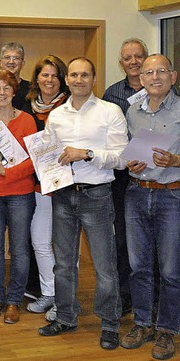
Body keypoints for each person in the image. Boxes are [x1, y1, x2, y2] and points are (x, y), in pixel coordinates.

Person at [38, 57, 128, 351]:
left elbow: (122, 157)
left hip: (98, 195)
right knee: (64, 264)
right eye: (74, 75)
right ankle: (65, 317)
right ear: (67, 80)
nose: (79, 79)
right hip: (63, 194)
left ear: (94, 79)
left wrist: (86, 153)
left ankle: (110, 323)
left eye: (85, 75)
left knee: (104, 266)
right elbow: (49, 156)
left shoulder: (110, 112)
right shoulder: (57, 115)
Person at [121, 54, 180, 360]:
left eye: (161, 71)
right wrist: (129, 161)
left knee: (171, 270)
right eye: (149, 73)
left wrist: (176, 160)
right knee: (138, 267)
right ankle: (142, 323)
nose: (155, 77)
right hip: (136, 193)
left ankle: (168, 330)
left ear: (173, 76)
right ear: (141, 80)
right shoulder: (132, 111)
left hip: (171, 195)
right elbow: (126, 151)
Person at [0, 42, 39, 303]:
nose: (1, 93)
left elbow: (35, 160)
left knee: (21, 249)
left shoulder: (27, 120)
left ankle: (13, 300)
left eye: (6, 88)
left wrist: (8, 174)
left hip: (21, 194)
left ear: (15, 92)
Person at [102, 38, 149, 317]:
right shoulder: (112, 94)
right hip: (121, 178)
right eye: (127, 58)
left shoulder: (163, 89)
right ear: (121, 63)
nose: (133, 62)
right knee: (122, 239)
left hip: (155, 175)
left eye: (138, 56)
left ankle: (153, 299)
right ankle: (125, 297)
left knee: (151, 241)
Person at [21, 55, 70, 318]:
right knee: (40, 242)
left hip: (66, 186)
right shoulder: (28, 107)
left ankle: (65, 299)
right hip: (38, 186)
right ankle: (48, 293)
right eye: (44, 75)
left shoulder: (71, 106)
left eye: (54, 75)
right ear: (36, 78)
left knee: (65, 245)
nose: (49, 80)